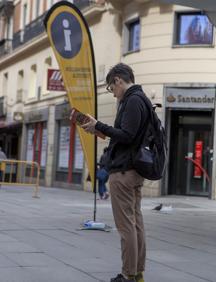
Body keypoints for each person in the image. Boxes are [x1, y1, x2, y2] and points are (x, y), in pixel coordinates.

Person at [81, 63, 149, 282]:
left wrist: (99, 125)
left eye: (112, 88)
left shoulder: (132, 100)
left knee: (126, 226)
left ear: (119, 80)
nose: (113, 93)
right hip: (134, 170)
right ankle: (137, 273)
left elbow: (127, 135)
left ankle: (128, 274)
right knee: (136, 223)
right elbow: (127, 134)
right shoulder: (142, 99)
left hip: (123, 171)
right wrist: (101, 129)